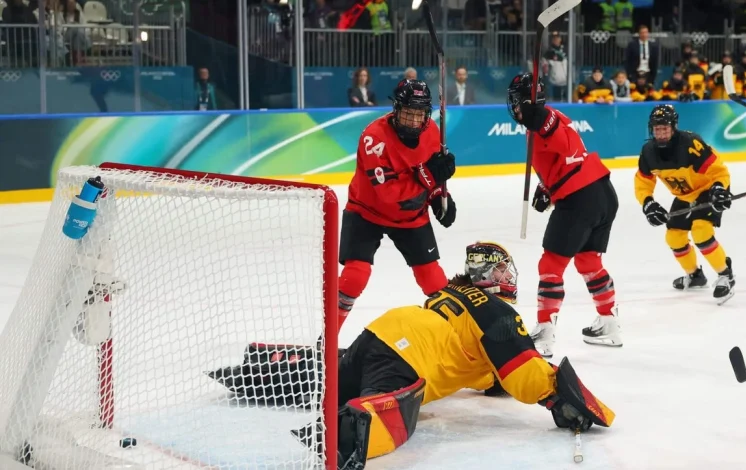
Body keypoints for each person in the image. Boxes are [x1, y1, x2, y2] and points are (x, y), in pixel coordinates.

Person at [207, 242, 615, 469]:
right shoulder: (499, 312)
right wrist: (557, 398)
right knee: (392, 407)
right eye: (505, 273)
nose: (509, 281)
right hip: (408, 356)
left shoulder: (449, 292)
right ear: (494, 278)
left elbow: (479, 367)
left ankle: (257, 372)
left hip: (382, 331)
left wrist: (494, 384)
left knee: (327, 379)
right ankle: (343, 435)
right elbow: (522, 371)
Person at [506, 73, 622, 358]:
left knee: (551, 264)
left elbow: (554, 132)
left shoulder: (546, 120)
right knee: (588, 261)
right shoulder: (546, 121)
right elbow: (565, 154)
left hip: (579, 198)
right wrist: (546, 187)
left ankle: (544, 333)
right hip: (602, 193)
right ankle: (609, 323)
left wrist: (540, 116)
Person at [338, 79, 456, 330]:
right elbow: (389, 193)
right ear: (396, 110)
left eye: (419, 115)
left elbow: (431, 176)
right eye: (408, 113)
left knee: (433, 280)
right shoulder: (374, 138)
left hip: (412, 216)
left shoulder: (433, 132)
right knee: (355, 276)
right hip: (366, 210)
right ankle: (327, 337)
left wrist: (437, 196)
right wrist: (430, 177)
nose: (414, 121)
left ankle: (454, 335)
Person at [635, 104, 735, 304]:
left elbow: (719, 172)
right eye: (657, 129)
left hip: (708, 190)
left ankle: (726, 275)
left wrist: (719, 189)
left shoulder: (691, 143)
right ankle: (695, 276)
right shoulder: (648, 152)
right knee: (674, 237)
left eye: (665, 128)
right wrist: (648, 203)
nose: (661, 133)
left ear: (673, 127)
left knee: (701, 231)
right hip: (685, 195)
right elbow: (643, 182)